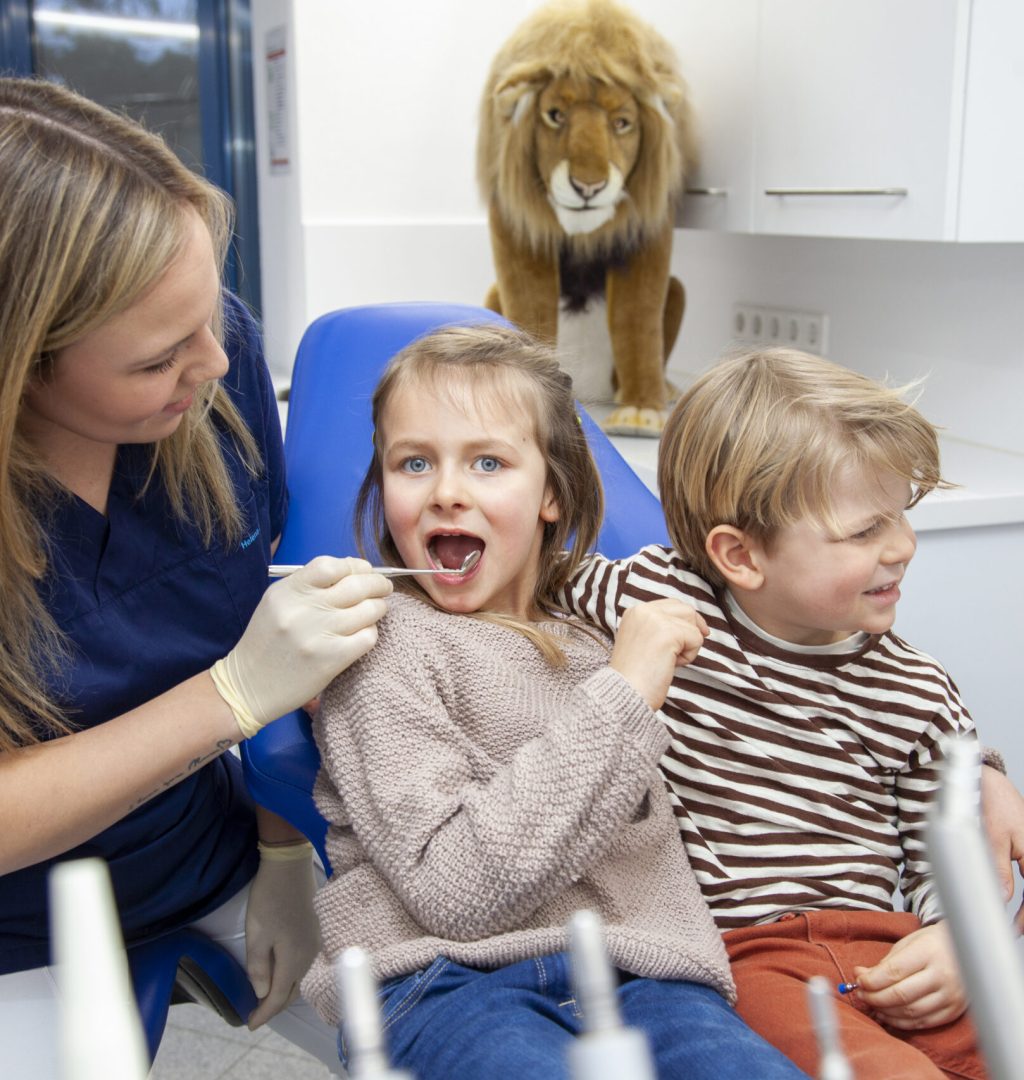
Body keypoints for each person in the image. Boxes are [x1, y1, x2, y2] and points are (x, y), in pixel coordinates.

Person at [0, 77, 392, 1074]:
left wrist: (283, 847)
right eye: (158, 358)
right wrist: (226, 697)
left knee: (458, 1033)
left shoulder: (213, 369)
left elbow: (275, 621)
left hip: (206, 843)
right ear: (22, 365)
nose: (216, 363)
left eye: (212, 314)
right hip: (17, 922)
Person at [301, 323, 810, 1079]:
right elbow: (458, 894)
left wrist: (967, 762)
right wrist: (626, 694)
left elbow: (814, 668)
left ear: (551, 492)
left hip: (652, 982)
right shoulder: (379, 649)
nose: (446, 491)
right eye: (413, 462)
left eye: (488, 461)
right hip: (444, 985)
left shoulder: (608, 615)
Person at [561, 345, 996, 1079]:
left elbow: (948, 844)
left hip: (888, 949)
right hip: (743, 960)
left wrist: (957, 937)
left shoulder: (918, 690)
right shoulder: (656, 599)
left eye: (900, 517)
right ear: (740, 555)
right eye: (865, 531)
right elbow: (520, 579)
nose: (903, 547)